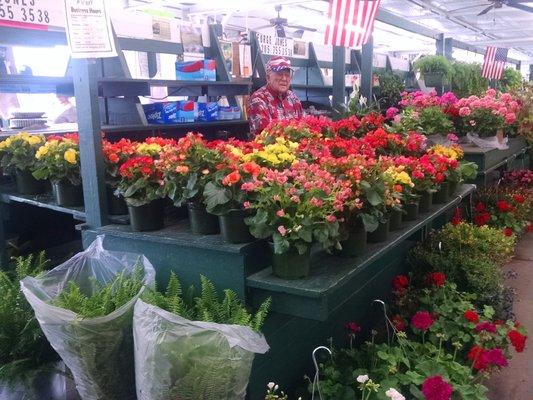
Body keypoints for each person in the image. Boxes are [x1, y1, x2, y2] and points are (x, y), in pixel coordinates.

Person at [247, 56, 304, 138]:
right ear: (268, 78)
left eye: (287, 75)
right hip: (267, 148)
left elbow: (303, 125)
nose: (284, 79)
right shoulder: (258, 99)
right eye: (280, 74)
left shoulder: (293, 97)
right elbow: (267, 136)